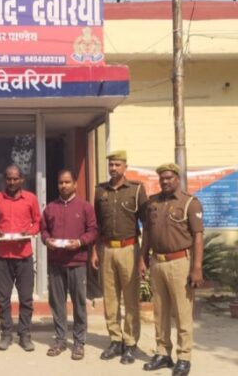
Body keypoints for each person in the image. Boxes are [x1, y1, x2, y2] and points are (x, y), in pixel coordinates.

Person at [140, 163, 204, 376]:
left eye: (169, 178)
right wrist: (142, 258)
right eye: (162, 178)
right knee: (160, 312)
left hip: (180, 263)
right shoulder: (153, 203)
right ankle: (162, 353)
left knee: (182, 312)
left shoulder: (190, 203)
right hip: (157, 262)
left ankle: (184, 357)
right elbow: (147, 233)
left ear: (177, 178)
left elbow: (198, 237)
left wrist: (197, 267)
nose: (165, 181)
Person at [91, 150, 147, 364]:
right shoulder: (100, 191)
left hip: (129, 249)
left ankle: (130, 342)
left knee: (131, 299)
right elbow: (96, 224)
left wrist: (143, 257)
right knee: (110, 298)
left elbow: (147, 225)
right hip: (107, 249)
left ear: (125, 167)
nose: (113, 168)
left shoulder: (136, 189)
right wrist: (95, 250)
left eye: (117, 165)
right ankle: (115, 340)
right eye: (111, 165)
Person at [41, 169, 98, 360]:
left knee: (78, 303)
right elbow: (44, 231)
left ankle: (79, 342)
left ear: (75, 184)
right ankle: (60, 340)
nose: (63, 186)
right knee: (57, 303)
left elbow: (93, 231)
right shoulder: (50, 208)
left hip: (77, 262)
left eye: (67, 182)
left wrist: (80, 242)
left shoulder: (85, 207)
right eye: (60, 182)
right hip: (56, 262)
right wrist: (47, 240)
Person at [0, 164, 41, 351]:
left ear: (21, 179)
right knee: (3, 299)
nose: (12, 182)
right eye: (9, 179)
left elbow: (38, 222)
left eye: (15, 179)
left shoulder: (31, 198)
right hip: (3, 256)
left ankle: (25, 335)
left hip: (24, 255)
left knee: (26, 298)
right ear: (5, 180)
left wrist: (29, 232)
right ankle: (6, 334)